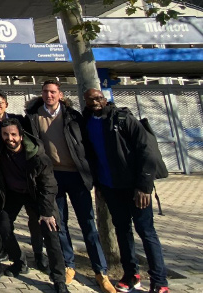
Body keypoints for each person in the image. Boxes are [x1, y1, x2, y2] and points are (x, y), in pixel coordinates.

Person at [24, 80, 114, 293]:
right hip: (52, 177)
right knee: (59, 224)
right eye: (45, 91)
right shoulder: (34, 117)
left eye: (53, 92)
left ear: (60, 94)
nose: (49, 95)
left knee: (87, 224)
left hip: (76, 176)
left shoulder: (74, 116)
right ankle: (69, 264)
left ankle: (100, 270)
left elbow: (87, 146)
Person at [83, 89, 169, 293]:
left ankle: (159, 280)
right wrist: (99, 186)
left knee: (146, 232)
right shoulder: (87, 122)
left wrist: (144, 187)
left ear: (105, 99)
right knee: (122, 231)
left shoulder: (123, 118)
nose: (95, 102)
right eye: (90, 99)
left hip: (135, 188)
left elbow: (146, 151)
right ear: (85, 101)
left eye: (98, 98)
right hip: (110, 187)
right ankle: (131, 274)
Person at [0, 119, 68, 293]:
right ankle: (19, 261)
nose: (9, 138)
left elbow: (49, 185)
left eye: (13, 134)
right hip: (12, 194)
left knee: (50, 231)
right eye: (5, 134)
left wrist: (47, 212)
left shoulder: (37, 155)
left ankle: (58, 278)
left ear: (21, 135)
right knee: (3, 225)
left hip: (36, 194)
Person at [0, 90, 47, 271]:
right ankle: (17, 258)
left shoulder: (18, 120)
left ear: (6, 103)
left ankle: (39, 256)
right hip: (6, 184)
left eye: (0, 102)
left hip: (30, 185)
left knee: (37, 223)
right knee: (4, 223)